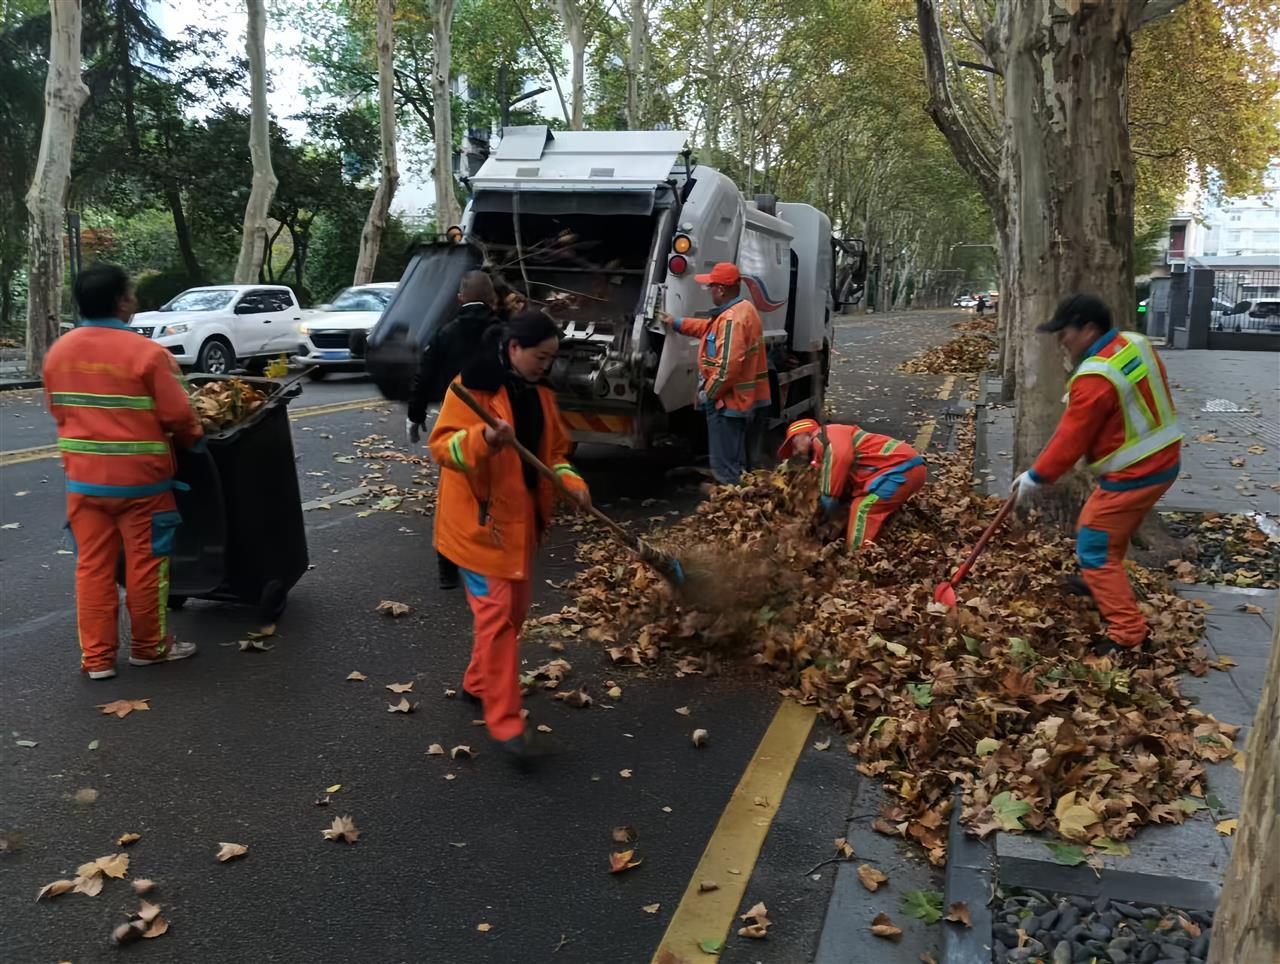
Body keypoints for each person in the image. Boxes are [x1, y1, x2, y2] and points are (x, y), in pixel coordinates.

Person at [428, 310, 591, 764]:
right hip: (478, 530)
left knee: (514, 615)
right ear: (515, 348)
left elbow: (555, 454)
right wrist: (483, 438)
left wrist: (571, 482)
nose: (547, 365)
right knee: (499, 618)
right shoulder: (473, 386)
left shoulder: (540, 394)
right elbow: (443, 448)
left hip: (519, 530)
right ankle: (507, 726)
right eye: (542, 356)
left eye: (552, 358)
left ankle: (477, 684)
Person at [43, 263, 204, 680]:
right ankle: (149, 648)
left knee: (92, 568)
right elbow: (179, 416)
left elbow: (58, 410)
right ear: (121, 302)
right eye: (130, 293)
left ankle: (96, 660)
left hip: (84, 482)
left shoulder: (58, 352)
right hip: (142, 484)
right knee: (146, 563)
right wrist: (195, 440)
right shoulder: (148, 354)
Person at [1012, 294, 1183, 657]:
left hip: (1137, 471)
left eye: (1065, 332)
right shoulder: (1133, 343)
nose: (1062, 341)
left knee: (1092, 541)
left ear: (1088, 329)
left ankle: (1127, 633)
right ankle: (1101, 583)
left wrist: (1036, 477)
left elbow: (1070, 439)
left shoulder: (1095, 377)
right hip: (1163, 458)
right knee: (1108, 538)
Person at [407, 271, 501, 589]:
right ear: (493, 300)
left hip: (457, 430)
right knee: (497, 497)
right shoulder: (504, 333)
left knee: (453, 503)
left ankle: (448, 570)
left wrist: (415, 415)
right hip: (498, 428)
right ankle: (492, 560)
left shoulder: (445, 333)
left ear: (460, 298)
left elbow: (425, 372)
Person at [658, 262, 770, 484]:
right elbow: (708, 329)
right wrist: (676, 323)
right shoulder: (741, 310)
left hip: (727, 402)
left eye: (710, 286)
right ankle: (737, 496)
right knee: (735, 460)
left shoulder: (732, 320)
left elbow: (728, 367)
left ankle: (730, 503)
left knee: (726, 466)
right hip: (735, 401)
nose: (708, 290)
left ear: (721, 289)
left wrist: (709, 394)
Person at [778, 418, 926, 546]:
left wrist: (827, 503)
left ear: (804, 434)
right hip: (898, 470)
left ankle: (857, 558)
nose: (794, 452)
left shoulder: (823, 437)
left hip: (902, 470)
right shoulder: (821, 450)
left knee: (862, 509)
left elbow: (840, 458)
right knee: (856, 505)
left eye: (793, 444)